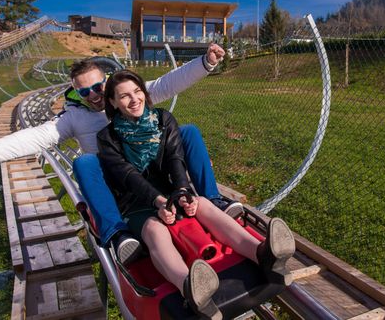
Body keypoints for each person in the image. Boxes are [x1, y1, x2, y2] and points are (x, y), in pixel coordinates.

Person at [0, 44, 243, 263]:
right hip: (119, 181)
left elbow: (167, 83)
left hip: (151, 171)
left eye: (98, 86)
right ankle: (117, 232)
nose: (93, 95)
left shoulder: (125, 97)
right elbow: (37, 137)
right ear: (76, 94)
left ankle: (212, 197)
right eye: (84, 91)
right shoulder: (75, 118)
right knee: (86, 162)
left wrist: (205, 62)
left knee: (189, 130)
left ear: (107, 82)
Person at [97, 70, 295, 319]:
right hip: (136, 204)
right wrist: (158, 202)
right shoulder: (107, 138)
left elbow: (175, 157)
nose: (134, 99)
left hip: (170, 193)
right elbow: (128, 176)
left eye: (137, 92)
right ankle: (188, 286)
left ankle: (262, 253)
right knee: (155, 230)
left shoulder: (163, 119)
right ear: (113, 102)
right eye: (124, 96)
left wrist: (182, 192)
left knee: (202, 204)